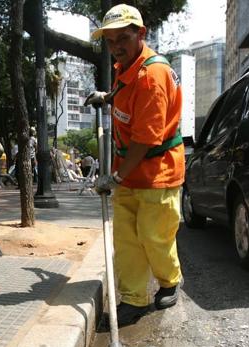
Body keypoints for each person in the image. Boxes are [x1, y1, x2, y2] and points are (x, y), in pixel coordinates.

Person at [85, 4, 185, 326]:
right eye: (110, 41)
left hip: (157, 172)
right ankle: (133, 299)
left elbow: (145, 139)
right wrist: (107, 96)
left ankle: (170, 281)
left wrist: (114, 177)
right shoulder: (125, 65)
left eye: (123, 38)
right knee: (126, 239)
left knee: (153, 237)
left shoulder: (153, 75)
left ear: (141, 33)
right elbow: (128, 99)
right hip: (128, 171)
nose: (116, 46)